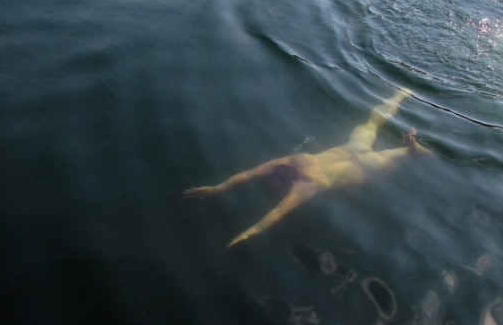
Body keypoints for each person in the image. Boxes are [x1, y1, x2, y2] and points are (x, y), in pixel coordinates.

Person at [184, 89, 431, 247]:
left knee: (414, 155)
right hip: (354, 147)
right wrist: (218, 188)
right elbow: (248, 174)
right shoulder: (292, 160)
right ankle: (400, 95)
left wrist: (249, 233)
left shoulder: (305, 186)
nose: (271, 182)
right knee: (372, 122)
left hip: (367, 165)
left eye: (274, 184)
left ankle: (414, 147)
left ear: (285, 181)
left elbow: (277, 213)